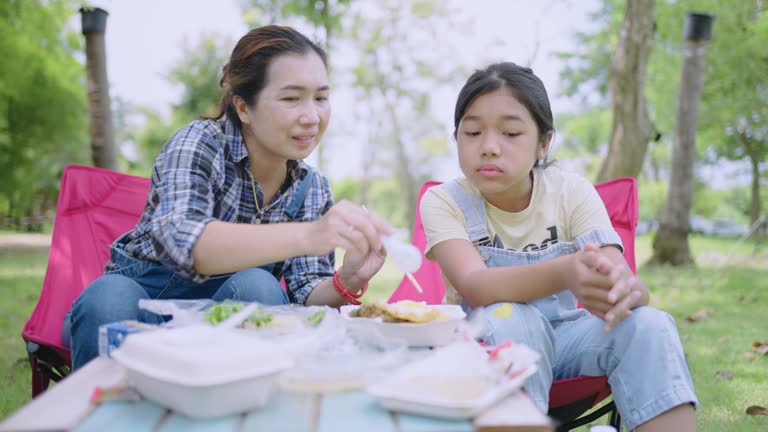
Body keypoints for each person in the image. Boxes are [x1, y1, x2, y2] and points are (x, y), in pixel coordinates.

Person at [64, 25, 391, 370]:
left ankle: (243, 412)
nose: (312, 117)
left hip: (224, 326)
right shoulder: (199, 143)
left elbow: (306, 297)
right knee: (108, 297)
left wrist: (351, 278)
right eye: (291, 98)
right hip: (140, 310)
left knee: (259, 287)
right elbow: (183, 238)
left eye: (321, 98)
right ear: (243, 108)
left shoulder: (311, 187)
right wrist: (309, 234)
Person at [420, 62, 697, 431]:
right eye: (472, 132)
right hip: (482, 345)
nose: (488, 147)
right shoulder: (444, 201)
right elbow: (475, 285)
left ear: (543, 143)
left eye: (510, 133)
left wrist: (625, 290)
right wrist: (565, 271)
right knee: (511, 316)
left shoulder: (571, 192)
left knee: (650, 324)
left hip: (567, 339)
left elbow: (619, 277)